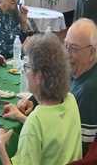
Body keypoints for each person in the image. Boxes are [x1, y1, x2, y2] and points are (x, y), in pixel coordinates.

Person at [0, 33, 82, 165]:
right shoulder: (71, 100)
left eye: (28, 66)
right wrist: (21, 117)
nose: (25, 71)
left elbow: (38, 127)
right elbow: (52, 133)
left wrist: (0, 147)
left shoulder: (35, 121)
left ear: (39, 77)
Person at [16, 18, 97, 154]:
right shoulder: (77, 70)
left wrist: (23, 119)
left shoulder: (89, 90)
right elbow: (55, 91)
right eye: (65, 45)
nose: (66, 54)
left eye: (74, 49)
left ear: (92, 53)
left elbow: (78, 146)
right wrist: (32, 101)